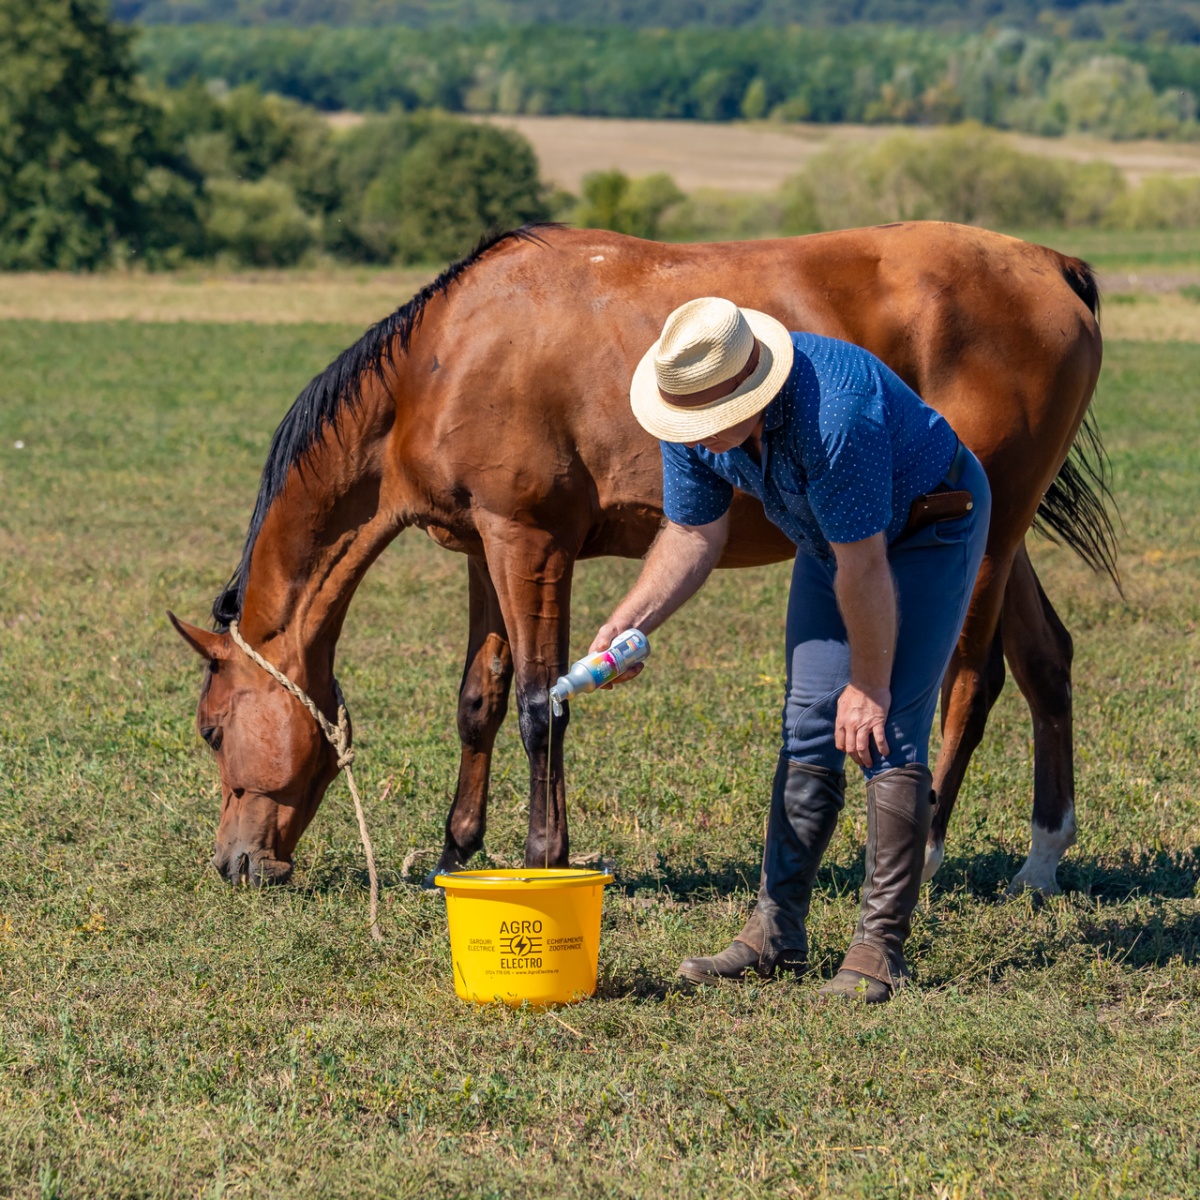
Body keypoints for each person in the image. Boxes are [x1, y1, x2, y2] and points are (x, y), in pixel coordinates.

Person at [588, 297, 990, 1003]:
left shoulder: (835, 411)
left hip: (928, 525)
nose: (699, 438)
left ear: (752, 390)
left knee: (885, 728)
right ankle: (775, 931)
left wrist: (869, 684)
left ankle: (878, 950)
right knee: (808, 719)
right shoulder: (691, 414)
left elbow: (866, 566)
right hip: (834, 541)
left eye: (712, 420)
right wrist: (629, 623)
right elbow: (692, 534)